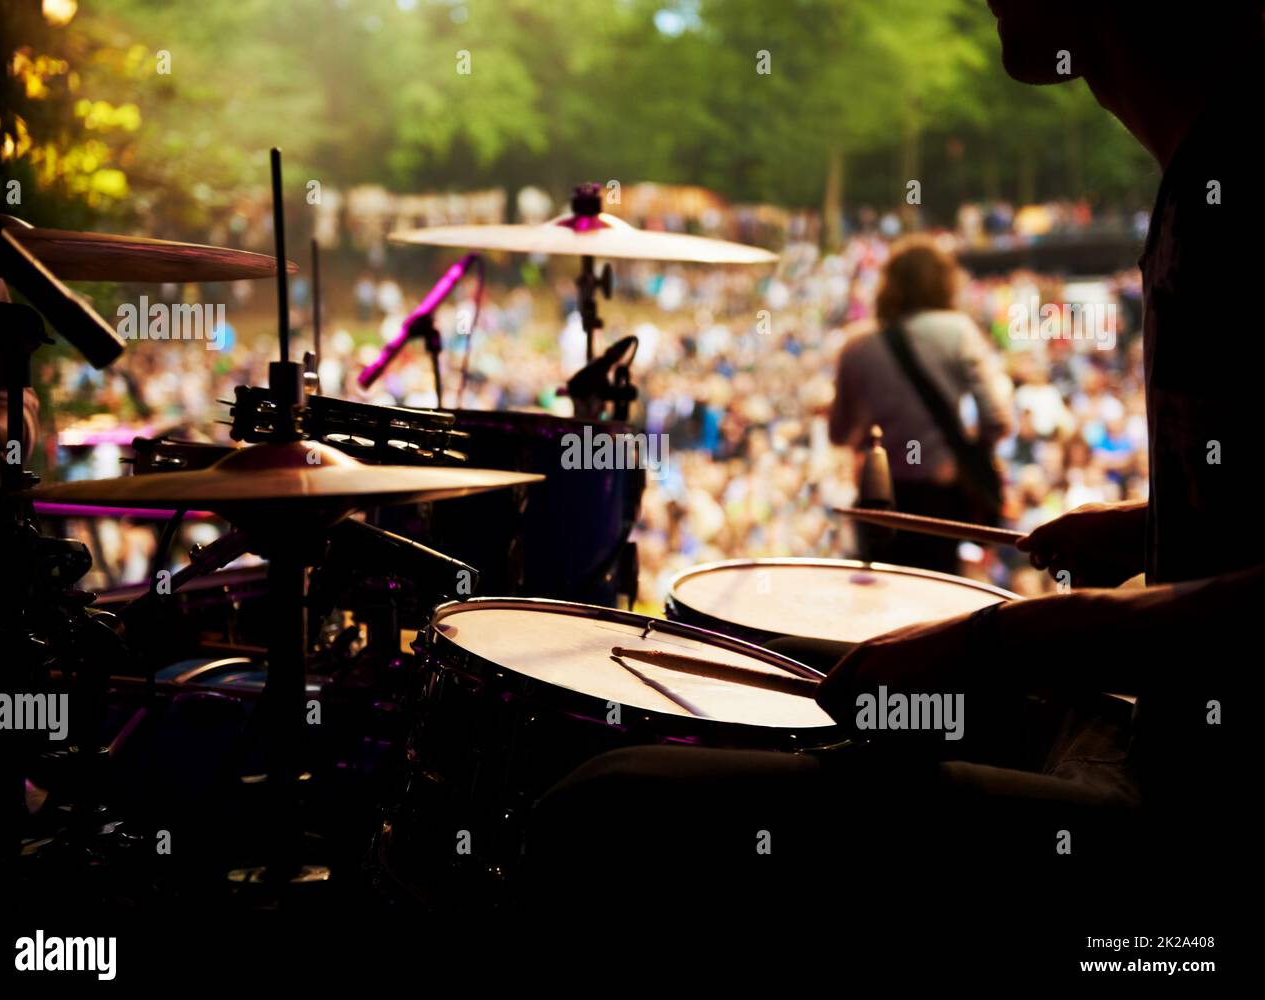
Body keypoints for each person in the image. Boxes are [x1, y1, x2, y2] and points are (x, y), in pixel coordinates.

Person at [523, 0, 1261, 942]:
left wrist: (1010, 637)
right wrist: (1140, 528)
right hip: (1165, 734)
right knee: (836, 697)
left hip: (1208, 834)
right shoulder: (1204, 170)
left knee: (611, 803)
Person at [830, 236, 1011, 572]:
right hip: (940, 498)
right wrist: (964, 454)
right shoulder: (958, 331)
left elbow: (840, 435)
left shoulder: (856, 346)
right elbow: (997, 420)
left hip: (879, 497)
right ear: (944, 282)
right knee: (938, 601)